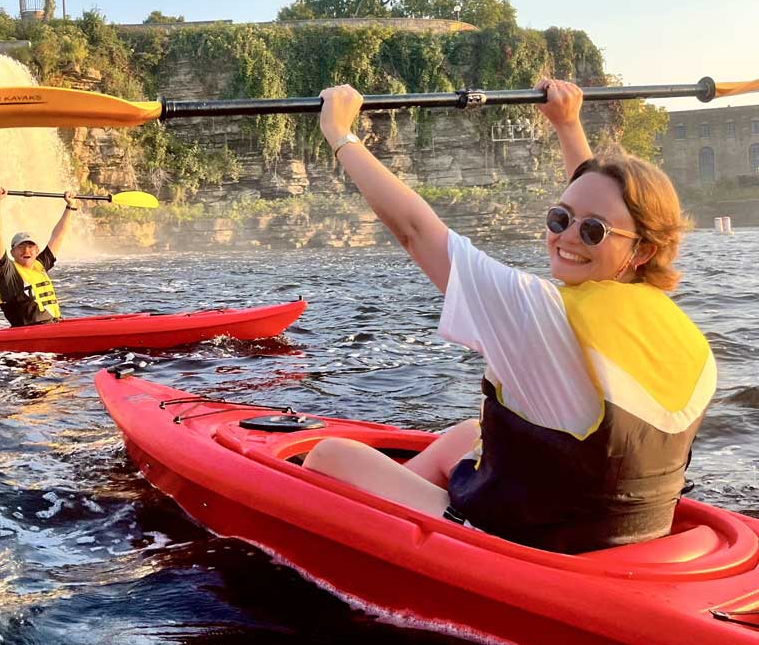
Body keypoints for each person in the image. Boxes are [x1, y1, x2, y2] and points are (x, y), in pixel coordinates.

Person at [304, 78, 716, 553]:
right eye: (560, 218)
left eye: (592, 232)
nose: (567, 236)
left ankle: (395, 532)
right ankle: (398, 509)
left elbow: (414, 230)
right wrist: (567, 125)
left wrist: (341, 134)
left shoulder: (539, 312)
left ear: (642, 250)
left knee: (331, 456)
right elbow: (603, 211)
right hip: (625, 537)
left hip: (522, 547)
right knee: (466, 435)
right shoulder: (682, 334)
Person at [0, 187, 78, 327]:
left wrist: (70, 206)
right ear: (12, 252)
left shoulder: (39, 265)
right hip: (29, 331)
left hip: (53, 325)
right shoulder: (7, 273)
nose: (26, 251)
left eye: (31, 247)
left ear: (37, 251)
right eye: (21, 247)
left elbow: (58, 236)